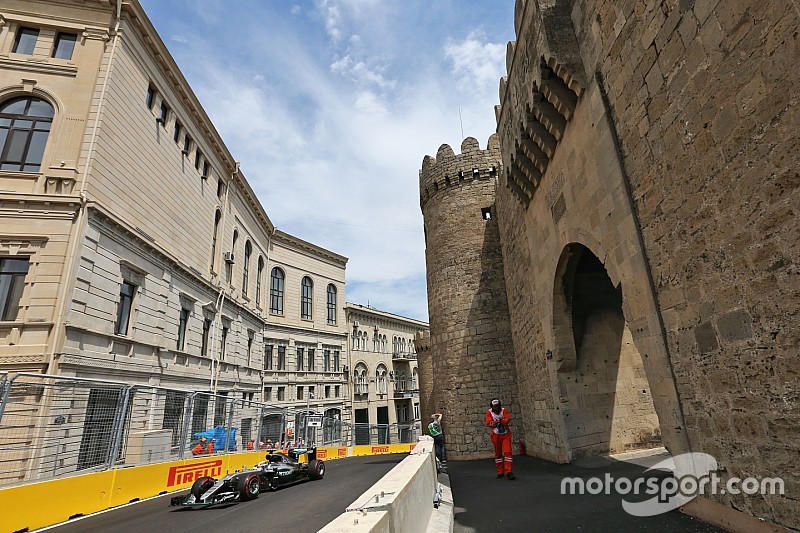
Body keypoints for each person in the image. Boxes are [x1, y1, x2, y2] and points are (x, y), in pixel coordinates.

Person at [485, 399, 514, 479]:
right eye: (495, 407)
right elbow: (489, 423)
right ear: (492, 407)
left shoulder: (504, 411)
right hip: (496, 435)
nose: (496, 408)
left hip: (506, 434)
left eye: (498, 406)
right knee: (498, 453)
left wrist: (500, 422)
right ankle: (500, 472)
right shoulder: (489, 413)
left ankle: (509, 471)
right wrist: (498, 422)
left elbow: (507, 419)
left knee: (508, 452)